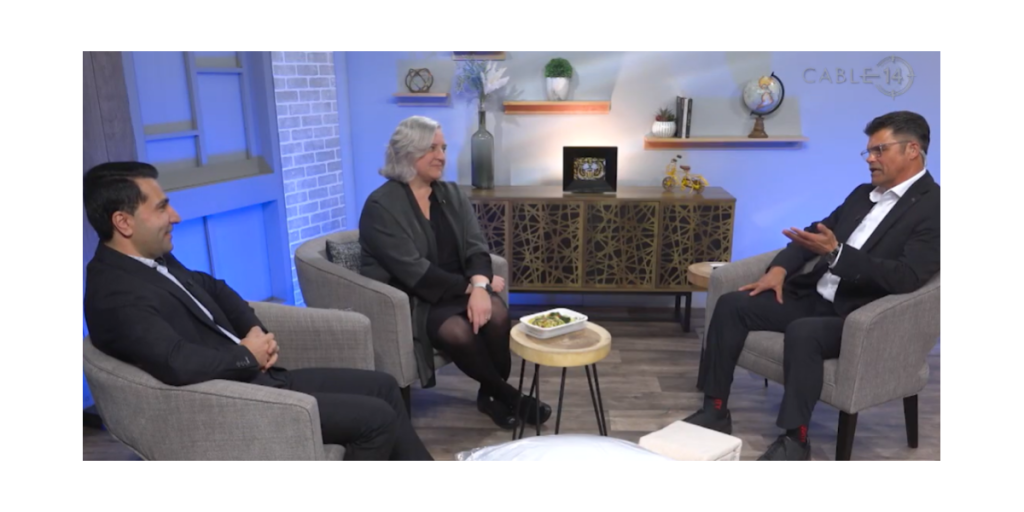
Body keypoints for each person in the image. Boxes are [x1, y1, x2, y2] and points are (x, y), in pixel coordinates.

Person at [83, 161, 433, 461]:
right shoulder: (114, 293)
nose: (175, 216)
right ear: (123, 222)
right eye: (161, 207)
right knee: (376, 419)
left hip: (257, 378)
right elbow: (177, 363)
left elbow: (215, 288)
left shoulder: (152, 258)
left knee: (384, 387)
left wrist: (254, 332)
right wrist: (246, 356)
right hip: (232, 406)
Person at [685, 111, 940, 460]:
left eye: (879, 150)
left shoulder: (935, 207)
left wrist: (837, 253)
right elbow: (814, 234)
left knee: (804, 333)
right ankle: (715, 411)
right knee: (733, 304)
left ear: (912, 150)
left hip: (859, 316)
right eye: (868, 151)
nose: (870, 158)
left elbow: (908, 276)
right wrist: (778, 269)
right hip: (814, 296)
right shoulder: (863, 194)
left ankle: (796, 440)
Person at [358, 115, 552, 430]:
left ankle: (491, 396)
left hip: (456, 288)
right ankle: (510, 397)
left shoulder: (451, 193)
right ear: (408, 151)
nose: (442, 156)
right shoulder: (382, 206)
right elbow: (415, 273)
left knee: (499, 315)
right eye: (432, 148)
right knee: (456, 331)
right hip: (416, 299)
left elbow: (477, 247)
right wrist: (475, 288)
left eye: (443, 147)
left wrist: (480, 286)